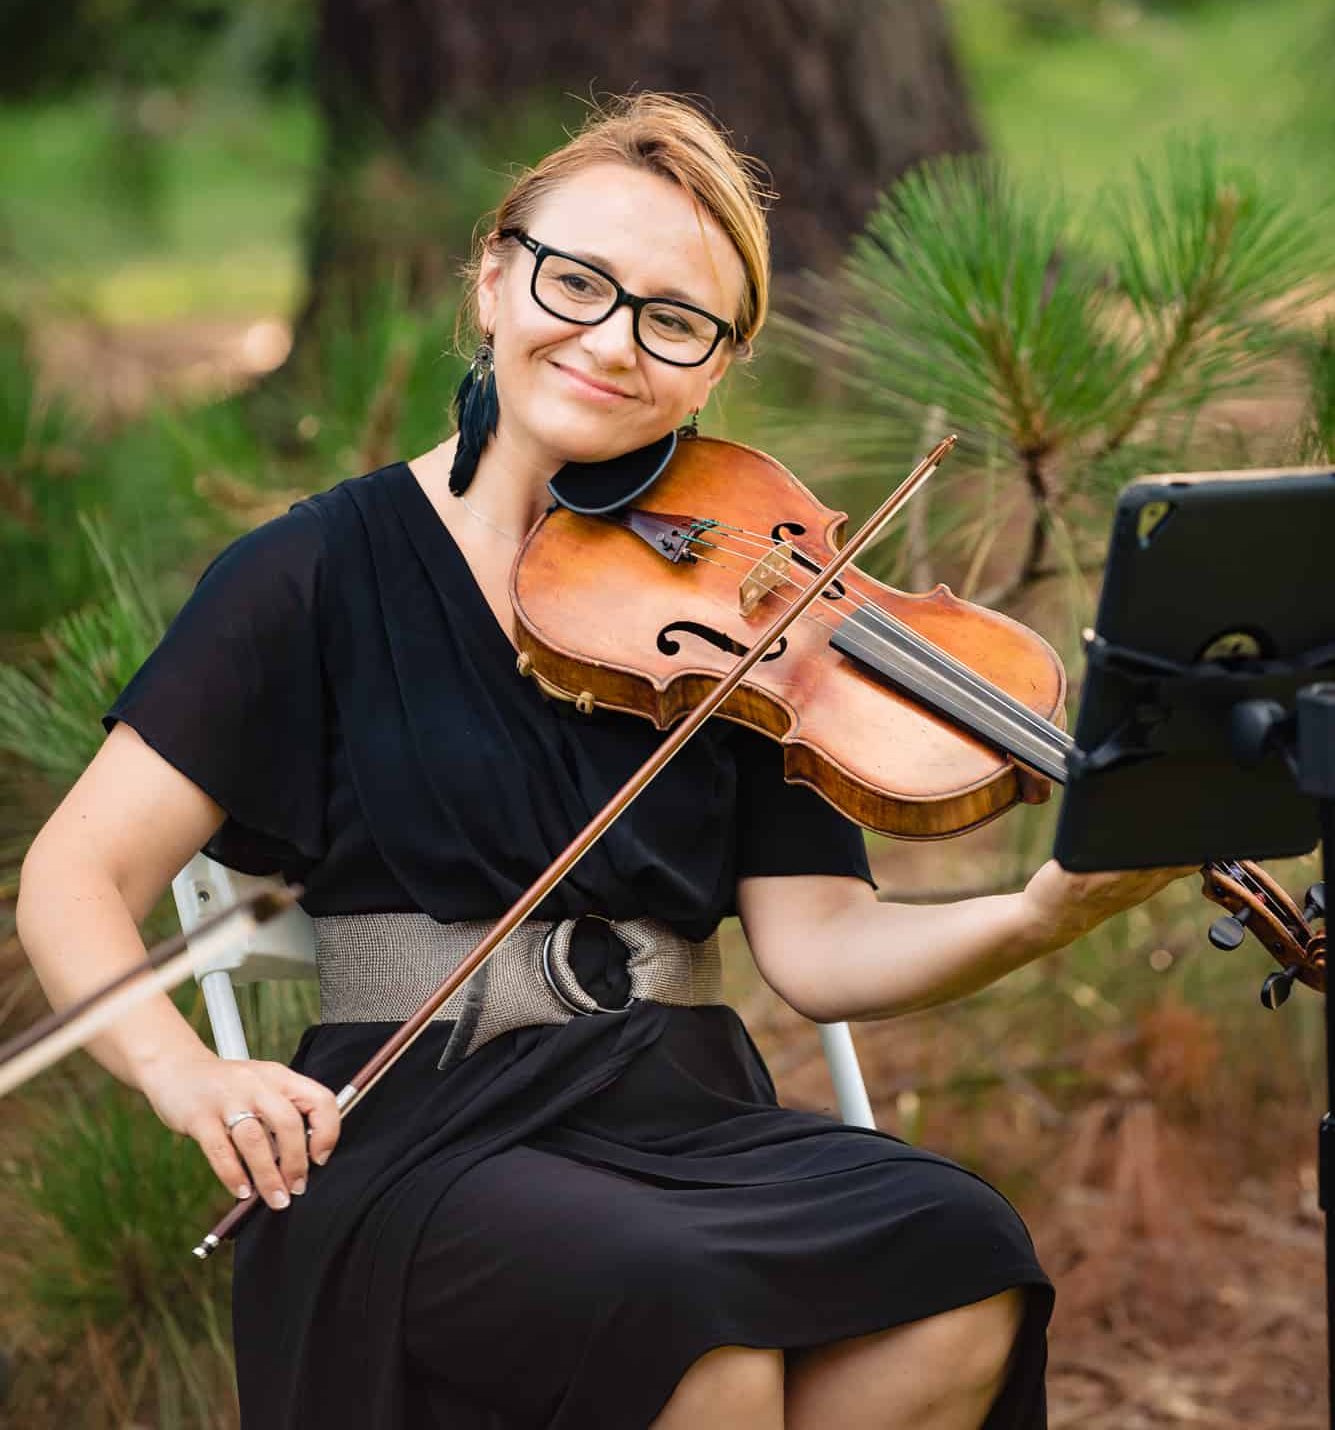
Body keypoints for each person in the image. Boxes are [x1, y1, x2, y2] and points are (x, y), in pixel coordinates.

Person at [18, 93, 1189, 1430]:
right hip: (424, 1139)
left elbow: (818, 948)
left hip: (684, 1112)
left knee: (963, 1263)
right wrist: (189, 1075)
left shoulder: (751, 598)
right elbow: (73, 875)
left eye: (674, 320)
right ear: (494, 278)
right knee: (699, 1334)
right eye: (578, 283)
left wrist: (1040, 914)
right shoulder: (309, 574)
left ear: (716, 365)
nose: (613, 343)